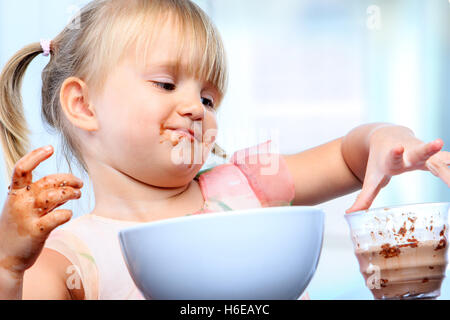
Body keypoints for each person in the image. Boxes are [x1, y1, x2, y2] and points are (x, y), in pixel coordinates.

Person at [0, 0, 448, 300]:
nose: (196, 108)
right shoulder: (65, 256)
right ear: (84, 105)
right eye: (166, 84)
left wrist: (385, 138)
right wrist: (7, 268)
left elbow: (349, 158)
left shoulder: (245, 186)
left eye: (209, 99)